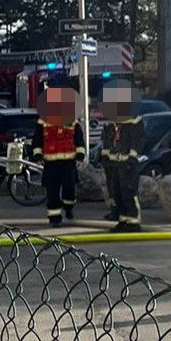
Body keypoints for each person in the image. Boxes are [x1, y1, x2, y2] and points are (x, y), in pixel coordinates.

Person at [31, 88, 85, 227]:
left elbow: (79, 140)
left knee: (69, 189)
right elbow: (37, 140)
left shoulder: (72, 121)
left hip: (68, 162)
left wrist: (80, 156)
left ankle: (68, 207)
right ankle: (55, 218)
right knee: (52, 191)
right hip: (50, 163)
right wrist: (37, 155)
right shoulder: (43, 121)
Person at [98, 80, 146, 233]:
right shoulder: (112, 121)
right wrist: (104, 156)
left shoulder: (134, 120)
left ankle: (133, 222)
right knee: (116, 193)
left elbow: (137, 139)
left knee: (128, 193)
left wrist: (132, 157)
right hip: (113, 163)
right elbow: (107, 140)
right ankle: (123, 220)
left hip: (127, 163)